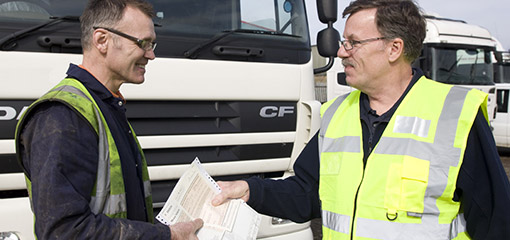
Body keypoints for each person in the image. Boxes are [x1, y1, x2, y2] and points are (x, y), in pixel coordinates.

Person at [212, 0, 510, 239]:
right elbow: (307, 192)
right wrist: (250, 189)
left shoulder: (456, 115)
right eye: (343, 41)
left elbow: (496, 222)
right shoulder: (336, 114)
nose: (341, 51)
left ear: (394, 48)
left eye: (353, 42)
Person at [15, 0, 203, 239]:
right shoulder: (63, 116)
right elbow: (63, 232)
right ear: (102, 40)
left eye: (152, 44)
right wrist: (167, 236)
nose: (151, 55)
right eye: (143, 43)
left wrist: (163, 230)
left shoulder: (107, 106)